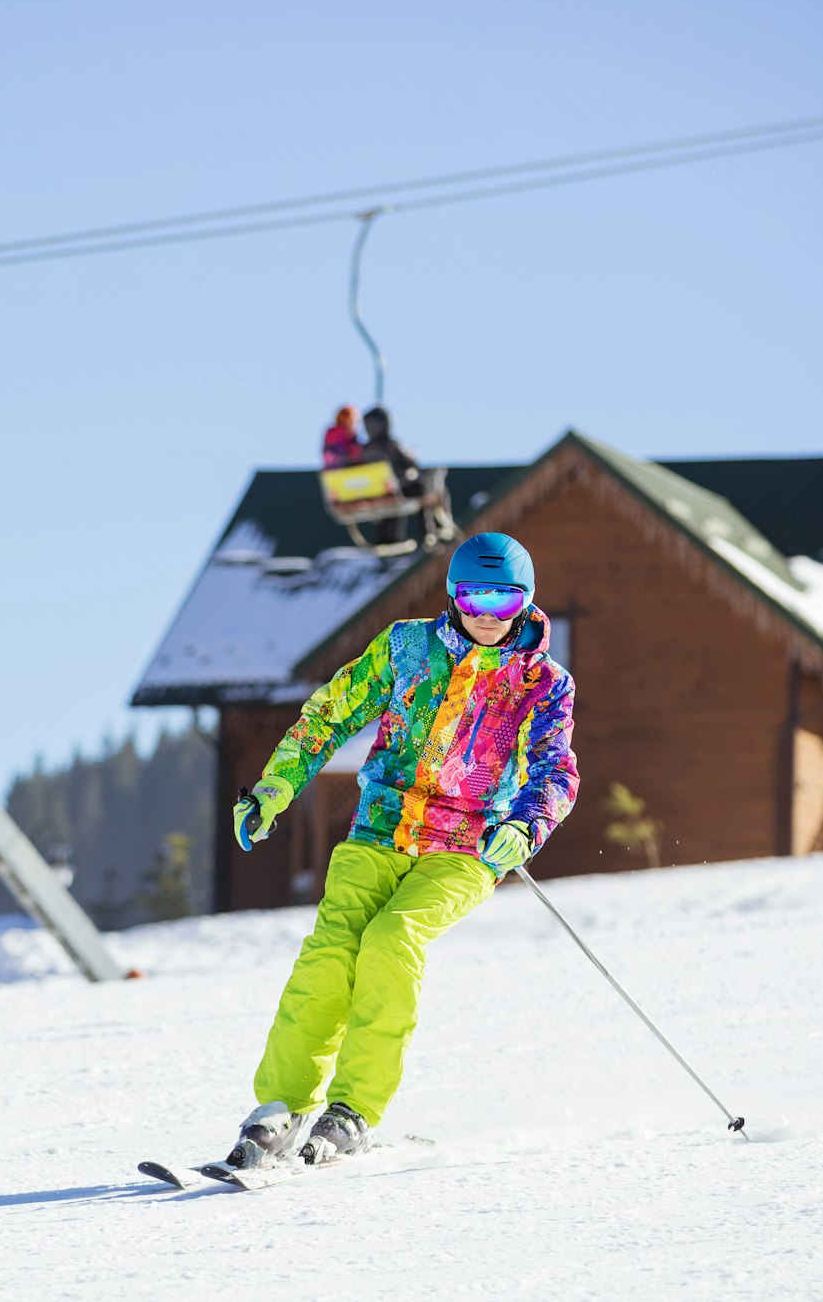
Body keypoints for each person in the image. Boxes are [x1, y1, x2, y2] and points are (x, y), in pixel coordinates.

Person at [223, 531, 579, 1170]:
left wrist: (526, 825)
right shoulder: (406, 647)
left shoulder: (542, 683)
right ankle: (280, 1107)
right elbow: (329, 714)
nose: (486, 615)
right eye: (473, 596)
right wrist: (276, 786)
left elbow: (557, 769)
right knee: (329, 956)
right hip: (379, 831)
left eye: (504, 600)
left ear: (525, 602)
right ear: (452, 594)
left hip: (468, 847)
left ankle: (353, 1110)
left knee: (392, 942)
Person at [359, 406, 425, 543]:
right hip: (383, 491)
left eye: (372, 425)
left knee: (397, 499)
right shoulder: (388, 446)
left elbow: (410, 467)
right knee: (417, 488)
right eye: (367, 425)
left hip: (384, 491)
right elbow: (411, 468)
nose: (369, 429)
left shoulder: (367, 448)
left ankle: (390, 539)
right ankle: (426, 532)